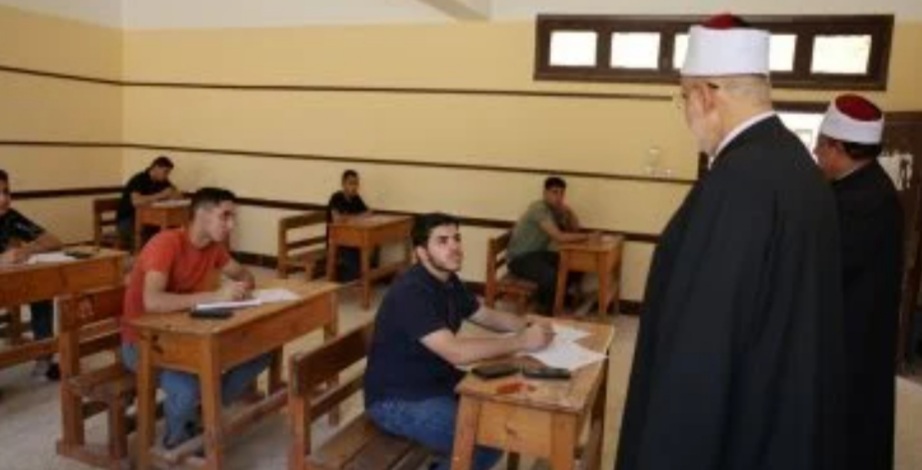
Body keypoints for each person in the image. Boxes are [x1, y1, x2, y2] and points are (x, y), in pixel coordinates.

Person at [616, 14, 847, 470]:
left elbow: (701, 346)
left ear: (705, 95)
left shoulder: (737, 183)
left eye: (683, 98)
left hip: (736, 430)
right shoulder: (796, 165)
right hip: (781, 412)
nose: (685, 113)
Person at [364, 212, 554, 470]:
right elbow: (455, 352)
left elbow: (485, 315)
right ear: (421, 252)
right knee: (485, 441)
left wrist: (527, 324)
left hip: (435, 383)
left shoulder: (448, 281)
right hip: (398, 400)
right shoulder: (411, 292)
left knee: (499, 419)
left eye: (456, 238)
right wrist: (521, 341)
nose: (454, 246)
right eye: (442, 241)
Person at [119, 187, 269, 449]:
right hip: (143, 343)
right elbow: (152, 301)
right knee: (189, 388)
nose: (231, 225)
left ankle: (204, 407)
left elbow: (244, 274)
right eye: (225, 216)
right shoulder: (166, 243)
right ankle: (176, 442)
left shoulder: (214, 247)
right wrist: (215, 296)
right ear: (201, 214)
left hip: (186, 336)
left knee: (259, 352)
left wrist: (242, 285)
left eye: (232, 217)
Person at [814, 94, 903, 470]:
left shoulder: (863, 201)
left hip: (852, 341)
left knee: (847, 434)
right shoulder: (864, 187)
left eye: (821, 145)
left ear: (838, 147)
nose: (816, 152)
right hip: (856, 333)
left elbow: (823, 269)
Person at [0, 168, 64, 380]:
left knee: (42, 288)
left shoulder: (11, 217)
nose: (3, 199)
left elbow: (54, 241)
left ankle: (44, 359)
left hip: (8, 280)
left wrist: (27, 250)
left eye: (6, 192)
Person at [507, 176, 591, 314]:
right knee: (550, 275)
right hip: (519, 258)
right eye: (554, 192)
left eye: (562, 193)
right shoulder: (538, 209)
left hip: (536, 255)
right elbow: (559, 237)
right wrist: (588, 237)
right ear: (545, 193)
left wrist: (568, 211)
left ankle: (558, 298)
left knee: (574, 265)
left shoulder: (553, 210)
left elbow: (574, 229)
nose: (558, 197)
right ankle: (545, 311)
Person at [116, 156, 181, 249]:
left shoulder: (163, 181)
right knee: (150, 237)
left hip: (149, 220)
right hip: (128, 219)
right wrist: (161, 195)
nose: (167, 175)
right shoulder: (139, 179)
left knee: (170, 231)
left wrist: (174, 194)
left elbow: (177, 195)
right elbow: (136, 201)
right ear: (156, 168)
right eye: (165, 172)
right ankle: (140, 255)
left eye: (168, 173)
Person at [326, 169, 372, 282]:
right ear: (343, 184)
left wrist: (349, 218)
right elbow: (337, 219)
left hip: (353, 238)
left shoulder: (356, 198)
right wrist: (357, 217)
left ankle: (364, 275)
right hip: (337, 241)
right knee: (354, 271)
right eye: (351, 183)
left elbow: (368, 213)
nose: (354, 187)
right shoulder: (336, 197)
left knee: (370, 248)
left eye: (356, 183)